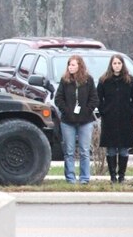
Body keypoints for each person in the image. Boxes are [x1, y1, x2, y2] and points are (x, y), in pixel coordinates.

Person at [54, 54, 98, 184]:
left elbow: (94, 99)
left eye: (73, 65)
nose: (70, 67)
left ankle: (84, 178)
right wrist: (67, 111)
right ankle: (70, 178)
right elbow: (58, 99)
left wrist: (86, 111)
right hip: (68, 121)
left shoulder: (88, 80)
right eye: (69, 64)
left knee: (84, 151)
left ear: (80, 66)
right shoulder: (64, 80)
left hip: (85, 121)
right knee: (69, 151)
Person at [97, 54, 133, 183]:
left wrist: (131, 111)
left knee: (123, 149)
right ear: (111, 65)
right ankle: (112, 177)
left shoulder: (130, 80)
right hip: (109, 119)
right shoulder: (104, 80)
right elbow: (98, 99)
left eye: (119, 63)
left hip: (125, 120)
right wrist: (104, 111)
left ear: (123, 65)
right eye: (114, 63)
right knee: (110, 149)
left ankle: (121, 176)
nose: (117, 66)